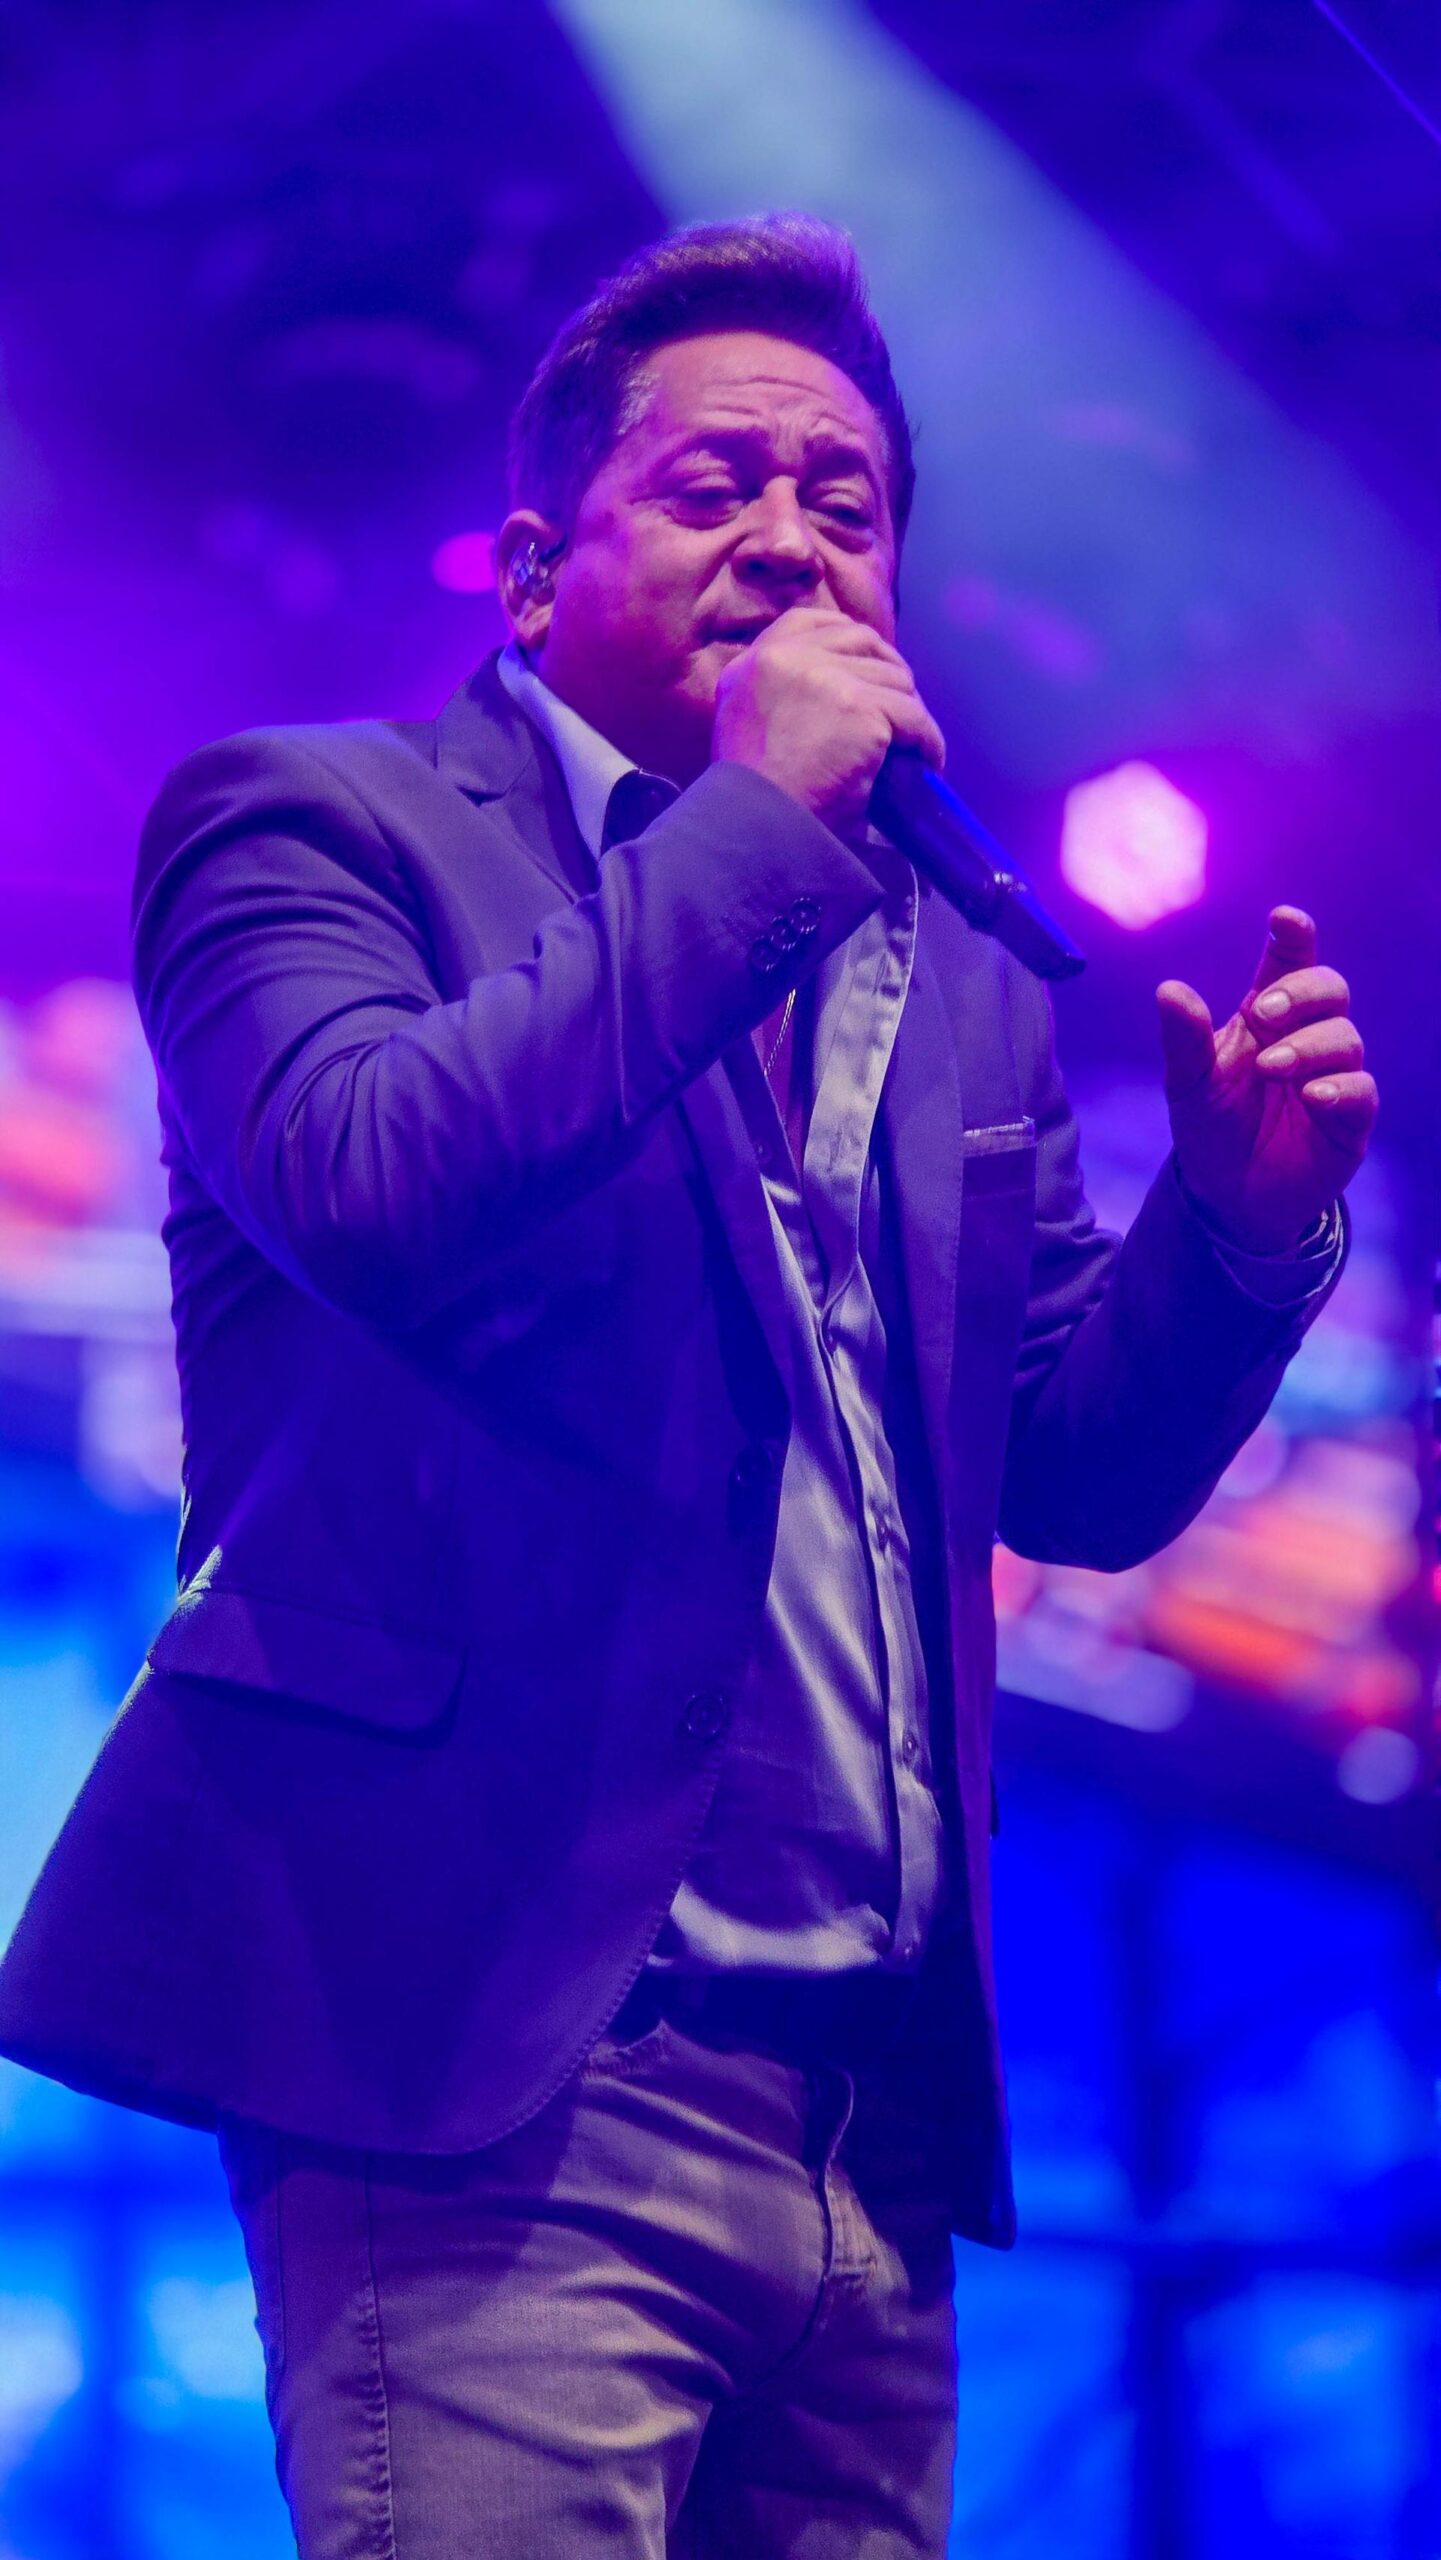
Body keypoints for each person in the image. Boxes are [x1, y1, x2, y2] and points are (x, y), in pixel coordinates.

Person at [0, 216, 1374, 2557]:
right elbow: (372, 1178)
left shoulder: (944, 970)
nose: (794, 539)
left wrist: (1243, 1230)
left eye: (847, 503)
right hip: (493, 2069)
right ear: (539, 569)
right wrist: (747, 827)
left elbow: (1068, 1461)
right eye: (719, 483)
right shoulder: (311, 823)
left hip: (865, 2124)